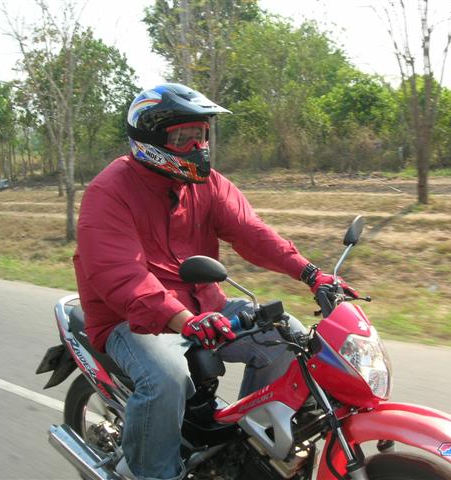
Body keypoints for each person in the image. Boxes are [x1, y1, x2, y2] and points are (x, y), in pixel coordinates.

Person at [73, 83, 357, 480]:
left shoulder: (205, 184)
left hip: (205, 308)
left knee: (288, 338)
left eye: (202, 135)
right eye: (183, 138)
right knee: (166, 378)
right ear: (151, 140)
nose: (197, 147)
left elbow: (251, 232)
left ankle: (247, 446)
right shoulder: (109, 191)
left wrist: (311, 274)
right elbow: (122, 276)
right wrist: (183, 320)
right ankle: (152, 473)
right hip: (133, 320)